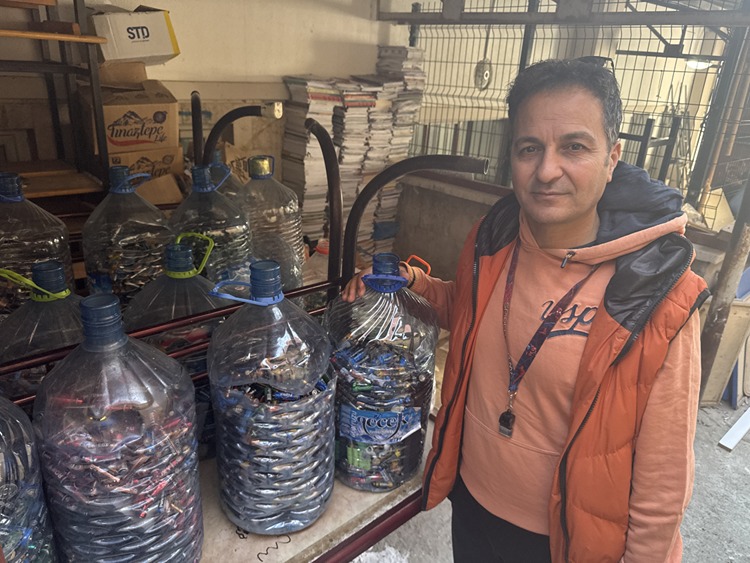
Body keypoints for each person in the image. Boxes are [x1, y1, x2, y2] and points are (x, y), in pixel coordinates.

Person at [343, 58, 709, 562]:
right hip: (472, 504)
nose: (547, 171)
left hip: (562, 541)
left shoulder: (658, 290)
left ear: (612, 158)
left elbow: (662, 483)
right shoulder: (494, 240)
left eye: (574, 147)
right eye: (529, 148)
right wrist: (411, 285)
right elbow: (469, 314)